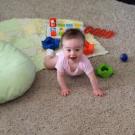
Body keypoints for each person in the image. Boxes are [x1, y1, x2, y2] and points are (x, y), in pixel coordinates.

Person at [44, 28, 105, 97]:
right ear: (63, 49)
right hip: (60, 57)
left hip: (69, 61)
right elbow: (60, 76)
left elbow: (92, 77)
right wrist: (64, 88)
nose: (73, 53)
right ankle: (49, 53)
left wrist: (96, 89)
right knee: (47, 64)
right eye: (69, 50)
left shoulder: (85, 62)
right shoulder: (61, 60)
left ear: (83, 48)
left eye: (77, 49)